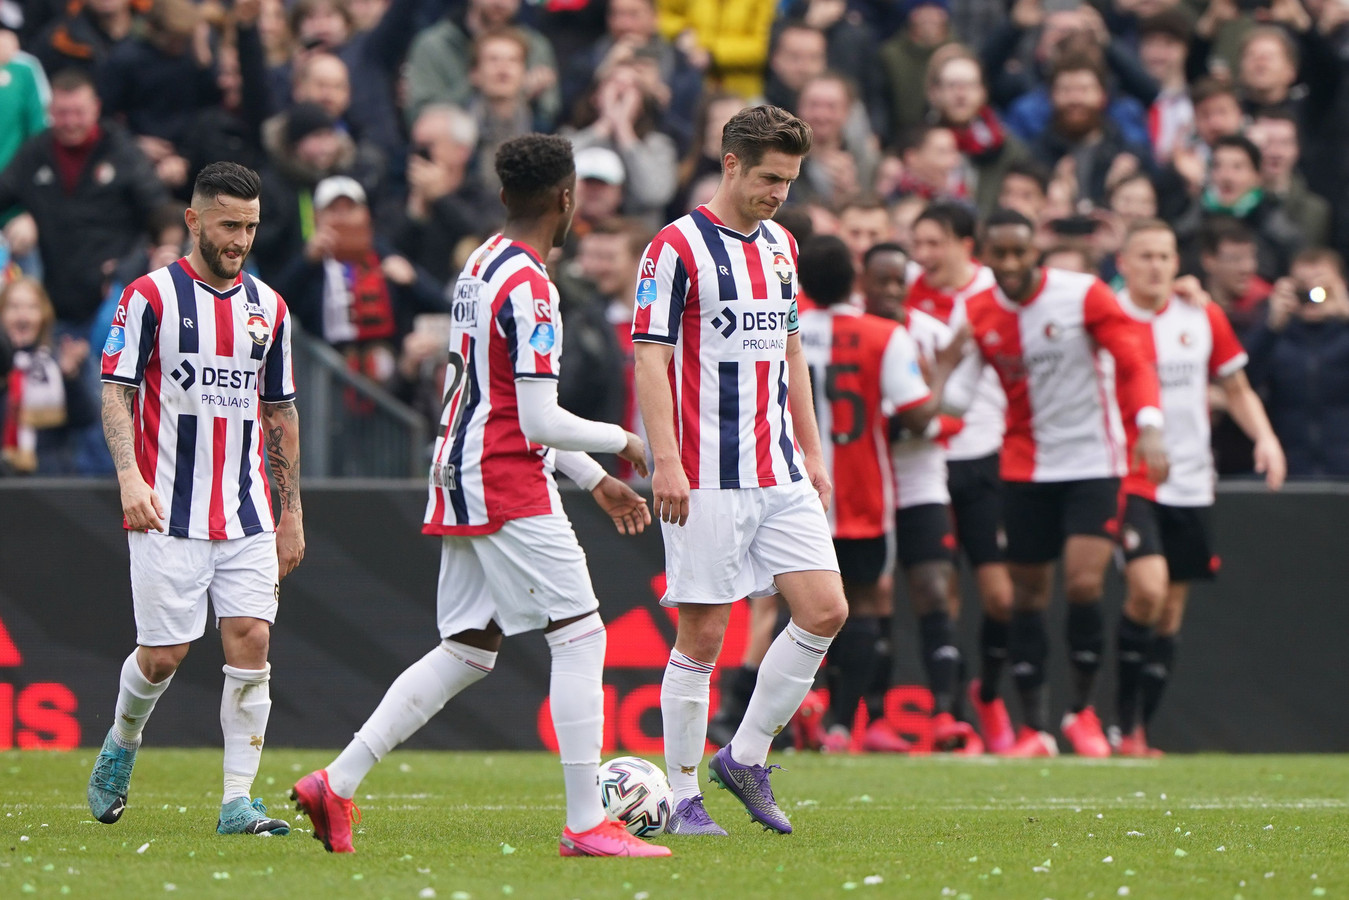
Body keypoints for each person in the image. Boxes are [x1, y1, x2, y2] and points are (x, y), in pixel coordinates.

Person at [291, 135, 667, 859]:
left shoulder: (480, 266)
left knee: (469, 648)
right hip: (502, 475)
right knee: (582, 634)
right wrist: (621, 439)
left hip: (460, 468)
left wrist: (591, 480)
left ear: (502, 197)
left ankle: (335, 783)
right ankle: (587, 821)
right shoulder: (532, 286)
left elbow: (500, 401)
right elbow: (536, 419)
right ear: (567, 199)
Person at [633, 105, 846, 836]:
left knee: (825, 610)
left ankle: (745, 755)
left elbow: (791, 354)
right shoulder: (674, 249)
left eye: (788, 180)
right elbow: (650, 358)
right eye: (766, 178)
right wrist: (664, 460)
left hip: (779, 466)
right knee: (702, 636)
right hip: (705, 473)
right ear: (729, 164)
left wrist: (812, 452)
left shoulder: (783, 245)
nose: (777, 193)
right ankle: (684, 795)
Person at [88, 162, 304, 836]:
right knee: (163, 656)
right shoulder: (148, 298)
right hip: (167, 509)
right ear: (193, 221)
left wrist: (290, 514)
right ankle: (122, 742)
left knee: (251, 639)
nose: (239, 238)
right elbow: (117, 391)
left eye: (250, 226)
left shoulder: (269, 309)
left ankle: (237, 801)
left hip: (243, 510)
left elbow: (280, 414)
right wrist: (129, 478)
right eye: (228, 224)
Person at [944, 207, 1167, 758]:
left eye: (1022, 252)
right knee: (1028, 595)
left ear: (1034, 252)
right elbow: (951, 404)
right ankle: (1035, 727)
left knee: (1085, 585)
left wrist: (1149, 427)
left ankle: (1082, 713)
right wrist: (945, 364)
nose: (1012, 263)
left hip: (1094, 463)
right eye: (1002, 254)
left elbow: (1133, 361)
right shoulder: (977, 313)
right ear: (986, 256)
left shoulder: (1083, 294)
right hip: (1023, 470)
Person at [1111, 219, 1285, 756]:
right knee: (1148, 589)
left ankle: (1138, 729)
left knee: (1169, 611)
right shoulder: (1108, 316)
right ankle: (1118, 723)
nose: (1157, 267)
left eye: (1165, 256)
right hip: (1132, 475)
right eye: (1145, 256)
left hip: (1192, 479)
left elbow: (1235, 387)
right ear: (1123, 263)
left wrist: (1266, 438)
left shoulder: (1201, 314)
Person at [795, 235, 956, 753]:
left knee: (796, 612)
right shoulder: (884, 336)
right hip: (862, 496)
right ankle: (843, 725)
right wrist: (944, 373)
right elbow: (915, 415)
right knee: (865, 607)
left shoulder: (781, 333)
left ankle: (801, 713)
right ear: (855, 281)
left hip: (795, 494)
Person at [854, 239, 981, 753]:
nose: (889, 292)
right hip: (865, 481)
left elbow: (959, 409)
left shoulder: (930, 334)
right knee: (871, 597)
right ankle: (875, 717)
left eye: (897, 283)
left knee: (933, 588)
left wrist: (916, 428)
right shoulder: (850, 334)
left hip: (921, 480)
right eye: (879, 281)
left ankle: (947, 714)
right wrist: (903, 424)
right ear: (862, 283)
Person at [903, 202, 1015, 753]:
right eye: (917, 244)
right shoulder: (908, 295)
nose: (922, 257)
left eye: (933, 244)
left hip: (987, 454)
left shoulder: (997, 292)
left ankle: (989, 696)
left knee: (1000, 597)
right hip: (929, 460)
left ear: (965, 243)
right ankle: (945, 717)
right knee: (939, 591)